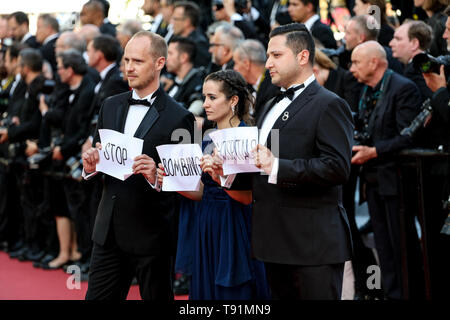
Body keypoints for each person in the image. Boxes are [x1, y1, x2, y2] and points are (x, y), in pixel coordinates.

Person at [82, 30, 195, 300]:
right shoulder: (109, 106)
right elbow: (100, 157)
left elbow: (188, 183)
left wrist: (156, 176)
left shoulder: (181, 117)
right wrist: (90, 165)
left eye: (138, 61)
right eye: (126, 60)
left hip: (152, 235)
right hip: (108, 231)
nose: (129, 68)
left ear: (159, 63)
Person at [248, 23, 354, 300]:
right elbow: (261, 163)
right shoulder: (269, 103)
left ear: (303, 57)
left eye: (276, 55)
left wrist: (278, 166)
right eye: (268, 55)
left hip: (313, 244)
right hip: (272, 239)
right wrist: (228, 169)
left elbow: (337, 167)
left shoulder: (329, 104)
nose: (268, 63)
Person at [157, 69, 270, 300]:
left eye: (212, 97)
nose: (205, 104)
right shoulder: (208, 137)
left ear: (233, 100)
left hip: (236, 224)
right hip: (207, 222)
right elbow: (202, 192)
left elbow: (248, 198)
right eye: (205, 97)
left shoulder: (247, 137)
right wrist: (169, 180)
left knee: (234, 292)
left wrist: (220, 176)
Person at [350, 40, 424, 299]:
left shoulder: (403, 89)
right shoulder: (367, 91)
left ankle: (409, 294)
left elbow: (409, 137)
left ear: (374, 62)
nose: (351, 69)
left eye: (356, 62)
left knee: (402, 246)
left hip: (397, 182)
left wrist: (375, 151)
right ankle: (392, 294)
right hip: (373, 181)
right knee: (383, 247)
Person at [389, 20, 434, 100]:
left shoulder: (415, 72)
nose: (391, 43)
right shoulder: (427, 63)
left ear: (414, 44)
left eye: (398, 39)